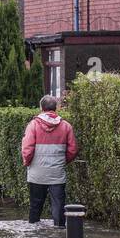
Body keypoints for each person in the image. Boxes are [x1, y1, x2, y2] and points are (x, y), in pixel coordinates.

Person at [22, 94, 78, 227]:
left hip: (37, 173)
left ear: (41, 108)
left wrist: (27, 162)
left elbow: (27, 149)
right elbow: (73, 150)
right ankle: (59, 232)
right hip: (57, 174)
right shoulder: (66, 126)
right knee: (58, 206)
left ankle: (33, 235)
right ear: (56, 108)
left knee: (35, 206)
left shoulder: (33, 125)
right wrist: (62, 162)